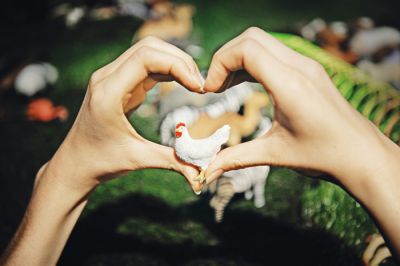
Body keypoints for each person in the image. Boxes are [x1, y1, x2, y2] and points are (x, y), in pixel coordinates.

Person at [1, 27, 399, 265]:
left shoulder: (217, 124)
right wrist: (373, 160)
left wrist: (56, 182)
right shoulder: (191, 127)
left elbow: (222, 129)